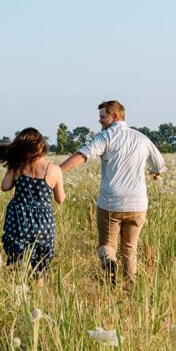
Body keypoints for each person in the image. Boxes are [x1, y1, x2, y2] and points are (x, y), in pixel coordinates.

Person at [60, 100, 165, 283]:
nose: (99, 120)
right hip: (138, 205)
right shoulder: (142, 138)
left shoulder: (106, 137)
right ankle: (129, 287)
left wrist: (57, 171)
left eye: (102, 116)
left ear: (114, 116)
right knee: (130, 250)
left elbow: (83, 155)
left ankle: (110, 271)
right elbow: (159, 165)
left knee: (107, 246)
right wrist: (155, 173)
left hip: (111, 204)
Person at [0, 128, 65, 274]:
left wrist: (12, 166)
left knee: (18, 263)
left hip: (18, 219)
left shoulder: (18, 167)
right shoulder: (53, 170)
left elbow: (5, 187)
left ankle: (20, 289)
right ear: (42, 145)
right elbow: (60, 199)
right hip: (43, 224)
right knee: (40, 266)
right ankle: (38, 293)